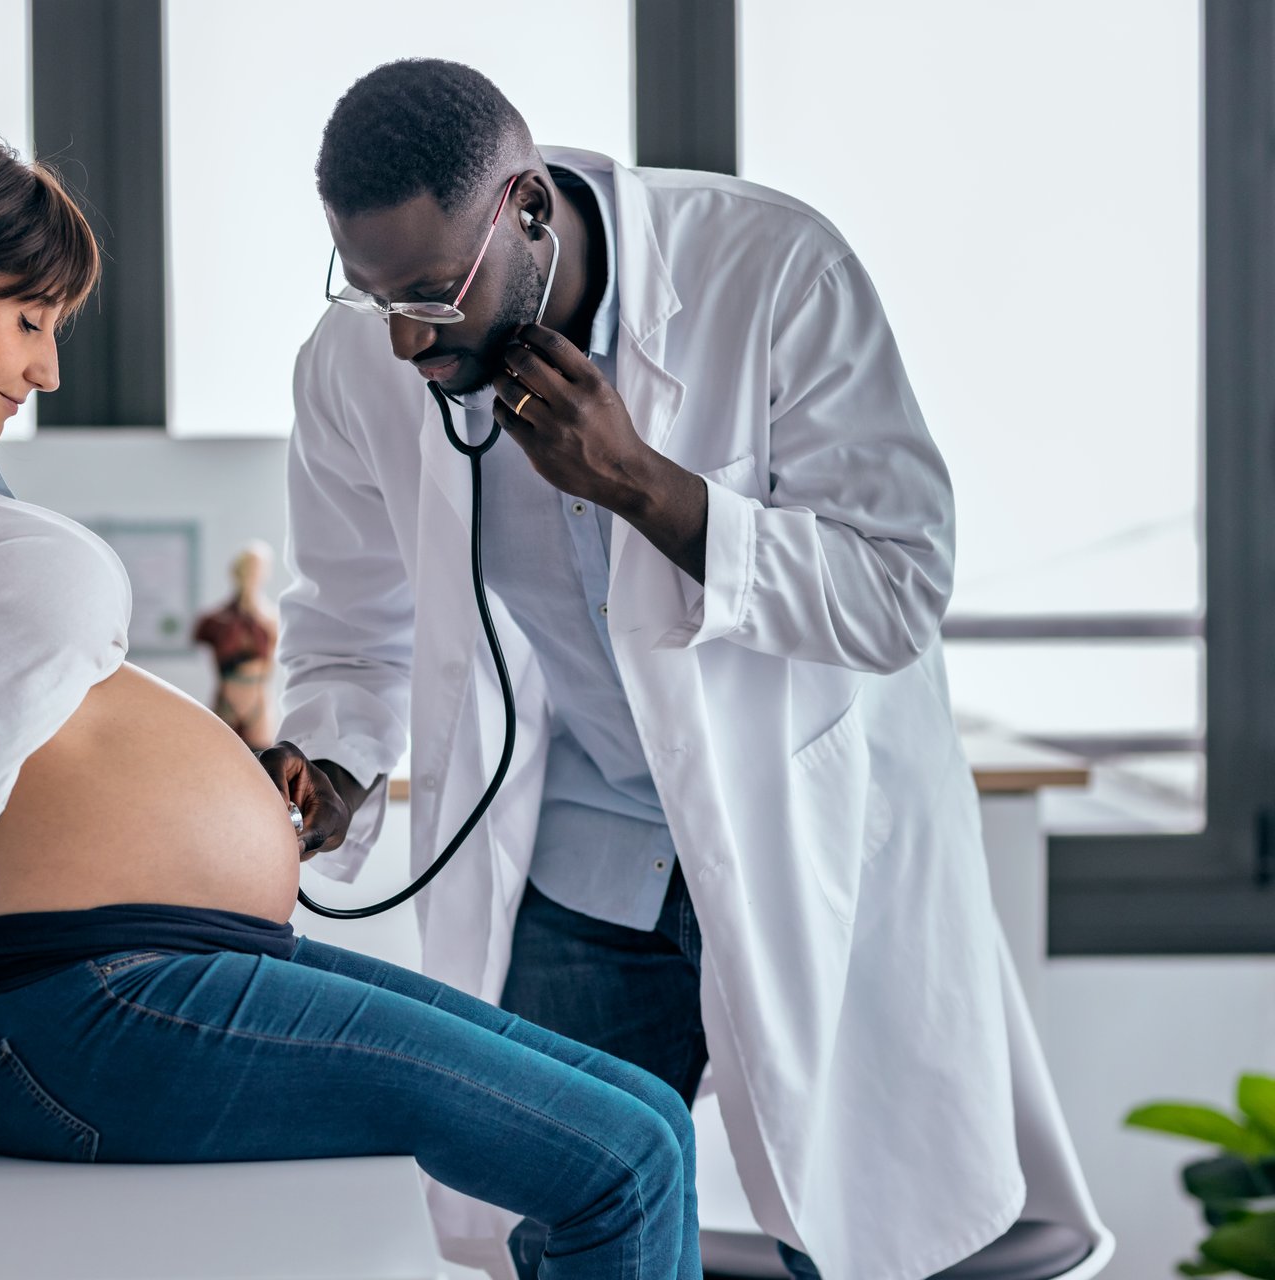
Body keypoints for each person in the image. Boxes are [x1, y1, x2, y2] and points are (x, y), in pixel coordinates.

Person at [0, 123, 701, 1279]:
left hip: (157, 962)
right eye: (29, 319)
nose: (47, 368)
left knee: (644, 1111)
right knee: (617, 1159)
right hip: (69, 996)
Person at [259, 60, 1110, 1279]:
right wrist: (334, 763)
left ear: (531, 210)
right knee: (570, 1233)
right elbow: (350, 616)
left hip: (794, 838)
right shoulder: (355, 363)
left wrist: (650, 491)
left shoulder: (773, 273)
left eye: (436, 297)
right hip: (582, 862)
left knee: (852, 1233)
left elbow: (900, 586)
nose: (408, 338)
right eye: (374, 293)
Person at [192, 540, 281, 748]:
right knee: (221, 762)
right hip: (226, 702)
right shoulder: (216, 620)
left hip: (258, 704)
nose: (253, 575)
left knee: (263, 767)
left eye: (258, 569)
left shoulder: (271, 619)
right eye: (248, 568)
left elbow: (271, 663)